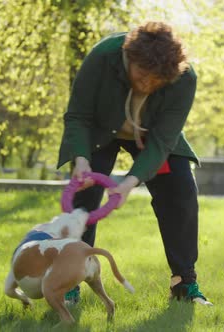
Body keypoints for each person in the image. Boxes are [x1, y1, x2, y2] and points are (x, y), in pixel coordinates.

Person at [57, 21, 211, 306]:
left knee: (180, 190)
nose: (147, 84)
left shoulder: (183, 77)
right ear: (130, 58)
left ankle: (184, 282)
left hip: (150, 136)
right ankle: (69, 280)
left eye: (157, 81)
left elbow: (163, 142)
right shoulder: (103, 56)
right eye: (142, 74)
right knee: (85, 195)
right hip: (100, 133)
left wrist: (129, 183)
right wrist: (81, 159)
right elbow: (78, 115)